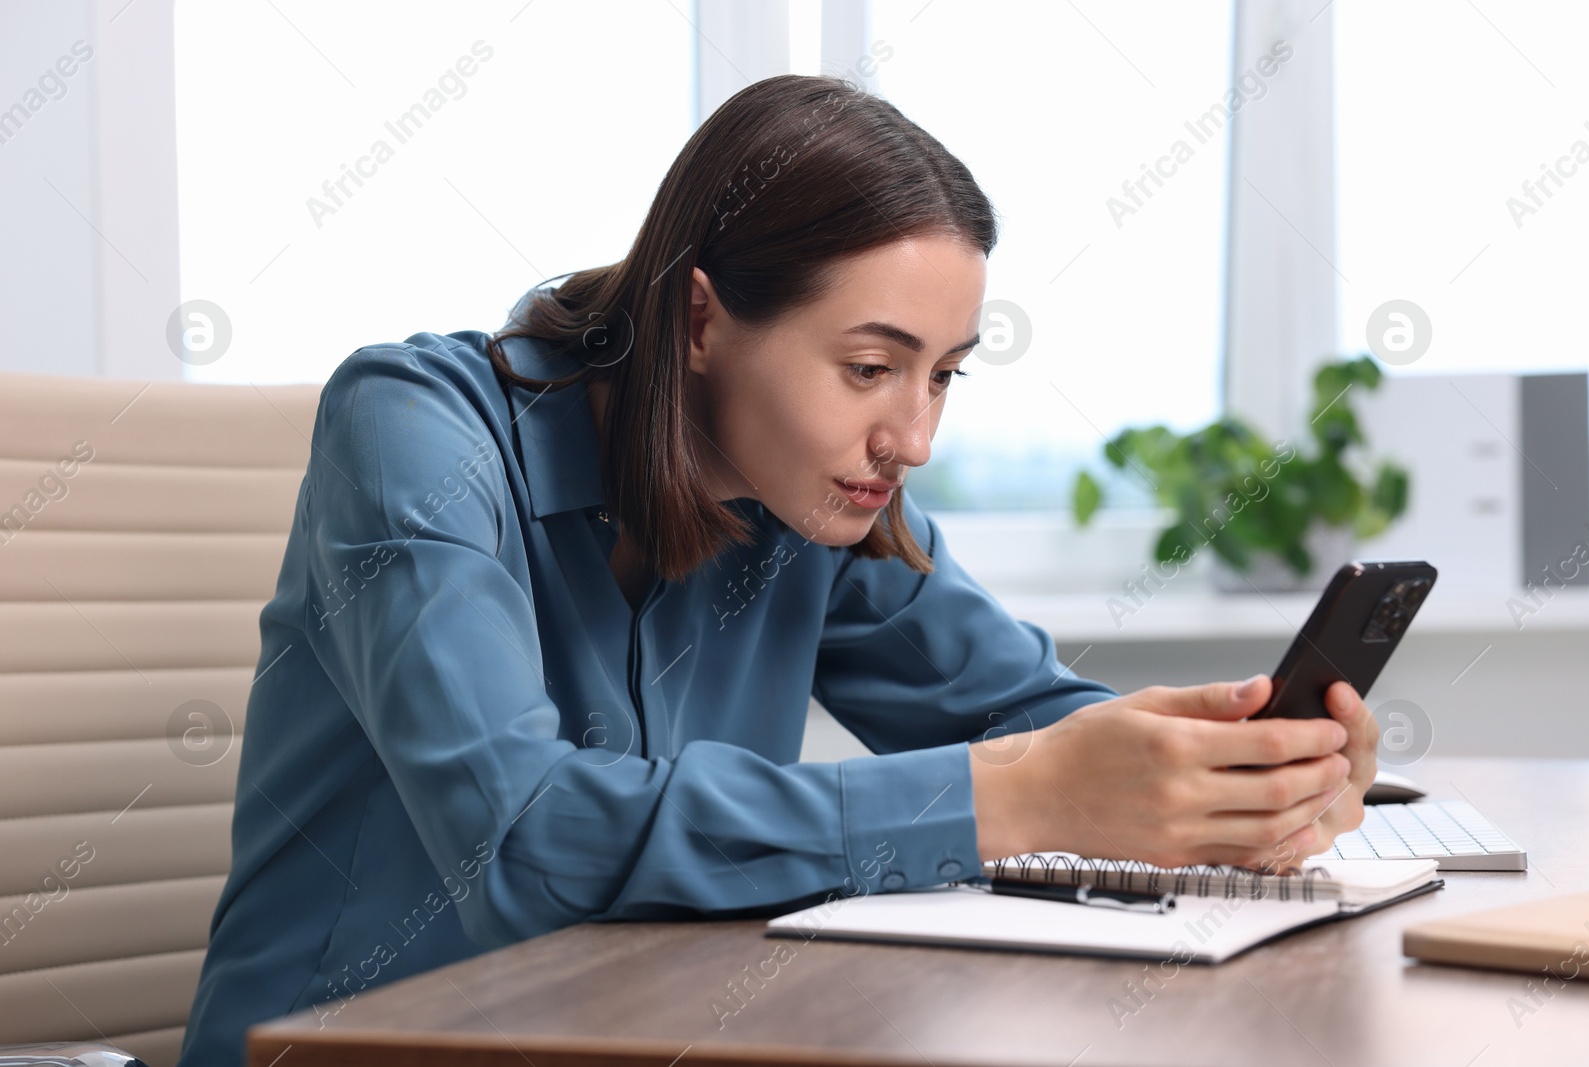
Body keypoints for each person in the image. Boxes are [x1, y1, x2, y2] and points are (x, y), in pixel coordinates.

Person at [177, 73, 1375, 1066]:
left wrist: (1239, 766)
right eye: (869, 367)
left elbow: (1034, 716)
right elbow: (528, 844)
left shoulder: (811, 498)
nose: (913, 436)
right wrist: (1022, 794)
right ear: (702, 322)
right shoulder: (416, 429)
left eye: (944, 373)